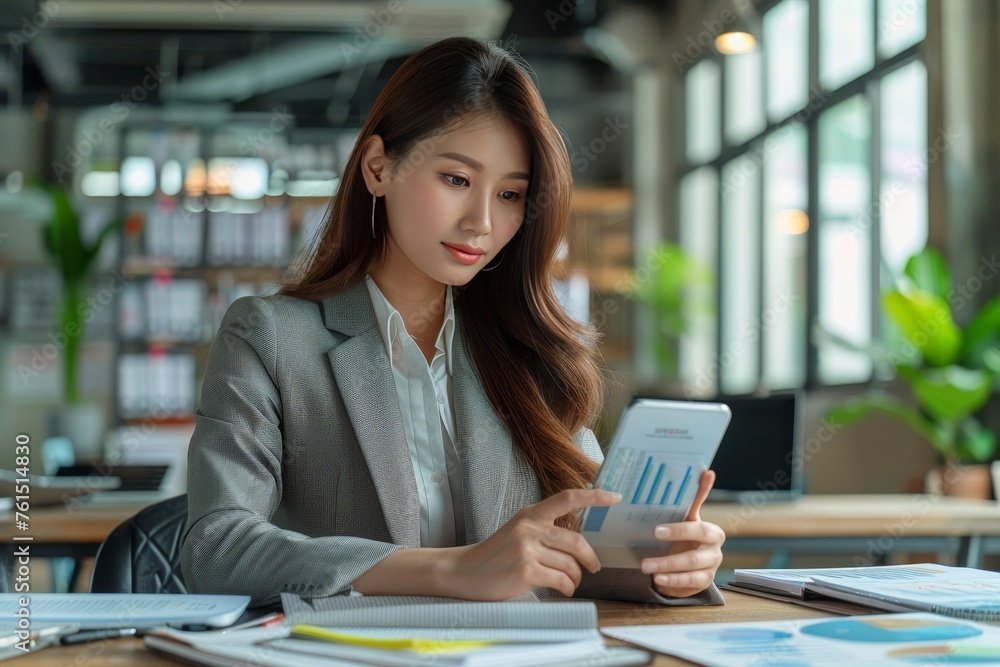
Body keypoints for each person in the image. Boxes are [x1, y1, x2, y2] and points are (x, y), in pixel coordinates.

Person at [179, 35, 725, 609]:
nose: (482, 223)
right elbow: (217, 549)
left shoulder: (528, 350)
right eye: (457, 180)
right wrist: (452, 570)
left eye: (511, 194)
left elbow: (576, 554)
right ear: (378, 167)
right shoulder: (269, 337)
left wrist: (662, 566)